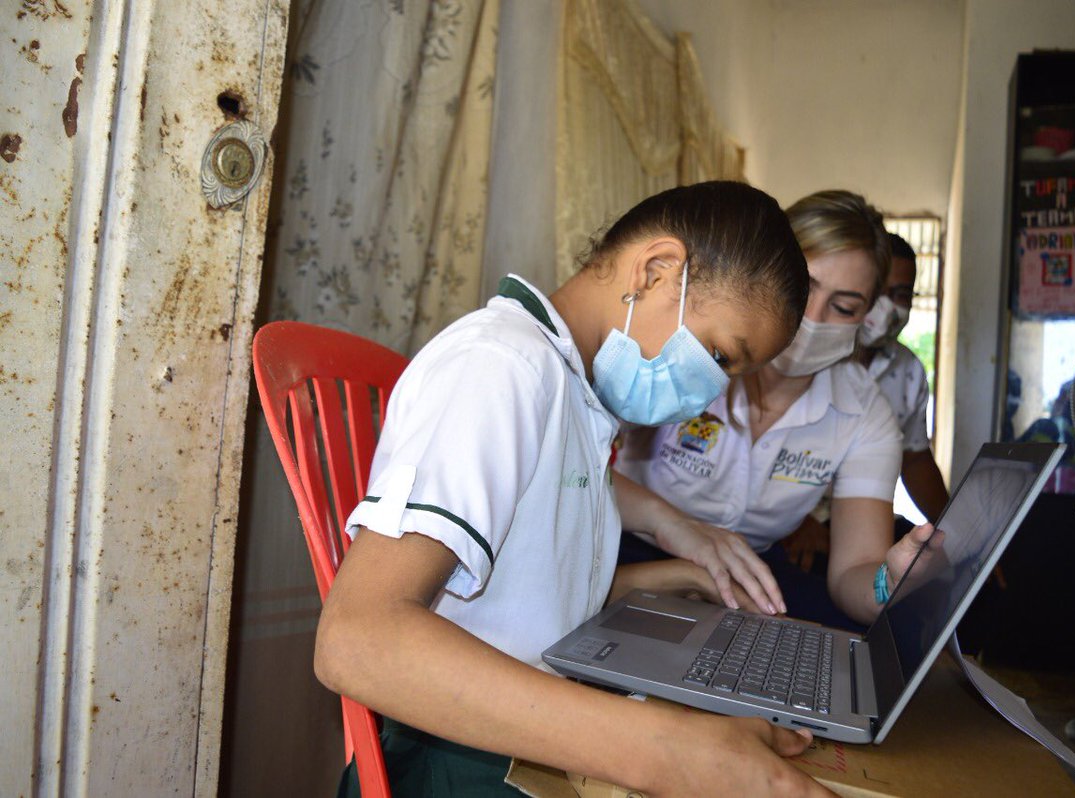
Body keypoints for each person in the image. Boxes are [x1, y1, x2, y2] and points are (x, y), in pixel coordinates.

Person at [315, 181, 837, 798]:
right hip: (450, 764)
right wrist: (665, 750)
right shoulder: (500, 364)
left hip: (515, 744)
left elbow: (508, 602)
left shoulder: (574, 398)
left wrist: (663, 577)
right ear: (657, 271)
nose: (712, 390)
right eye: (721, 355)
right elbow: (358, 639)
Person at [615, 190, 940, 632]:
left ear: (867, 317)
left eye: (843, 307)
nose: (810, 318)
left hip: (749, 569)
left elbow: (853, 573)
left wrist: (890, 581)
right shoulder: (684, 347)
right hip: (628, 543)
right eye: (801, 288)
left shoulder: (864, 413)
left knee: (892, 637)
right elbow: (572, 467)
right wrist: (671, 524)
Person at [855, 233, 949, 532]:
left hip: (865, 523)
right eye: (878, 291)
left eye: (901, 295)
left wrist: (956, 533)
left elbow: (914, 460)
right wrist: (802, 524)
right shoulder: (813, 356)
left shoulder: (908, 370)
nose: (888, 307)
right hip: (796, 522)